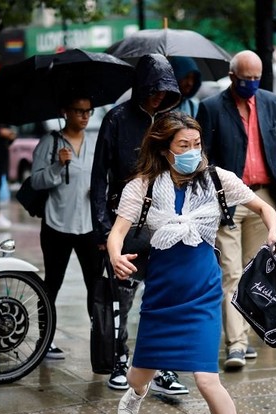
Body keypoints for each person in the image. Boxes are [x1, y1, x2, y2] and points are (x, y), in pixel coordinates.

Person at [108, 112, 276, 414]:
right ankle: (139, 390)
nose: (191, 152)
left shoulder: (218, 181)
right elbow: (117, 232)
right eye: (182, 146)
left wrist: (273, 232)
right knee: (139, 375)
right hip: (161, 292)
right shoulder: (143, 187)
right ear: (164, 148)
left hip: (202, 291)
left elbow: (265, 208)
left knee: (206, 378)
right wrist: (116, 256)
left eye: (196, 144)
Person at [91, 54, 186, 394]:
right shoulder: (116, 120)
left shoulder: (170, 122)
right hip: (125, 221)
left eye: (166, 91)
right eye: (155, 89)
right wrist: (103, 230)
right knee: (122, 297)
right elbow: (98, 177)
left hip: (162, 221)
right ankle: (119, 360)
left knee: (163, 296)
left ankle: (162, 365)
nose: (159, 96)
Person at [197, 50, 276, 370]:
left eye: (257, 78)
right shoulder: (211, 108)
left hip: (263, 199)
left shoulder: (271, 103)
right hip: (228, 198)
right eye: (245, 79)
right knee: (231, 273)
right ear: (231, 76)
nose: (252, 84)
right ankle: (236, 345)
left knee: (255, 274)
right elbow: (204, 156)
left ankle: (245, 335)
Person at [32, 93, 101, 359]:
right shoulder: (50, 143)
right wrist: (57, 166)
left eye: (88, 111)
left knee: (95, 286)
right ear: (65, 112)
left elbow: (102, 177)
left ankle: (100, 337)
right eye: (78, 111)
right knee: (52, 284)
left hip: (88, 226)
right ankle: (45, 339)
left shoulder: (94, 142)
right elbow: (36, 181)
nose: (84, 116)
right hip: (56, 224)